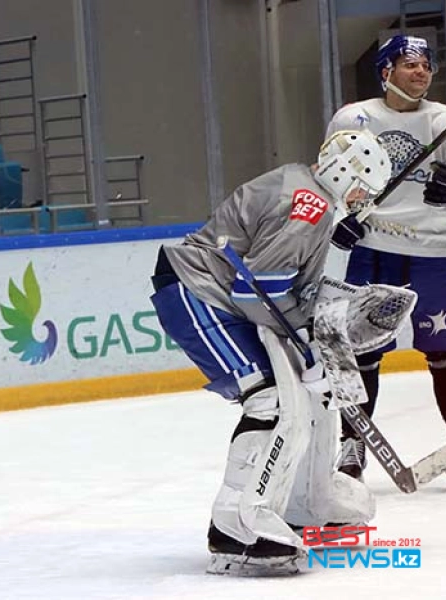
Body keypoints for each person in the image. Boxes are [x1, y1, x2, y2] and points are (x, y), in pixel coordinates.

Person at [151, 130, 392, 575]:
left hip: (219, 293)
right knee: (270, 399)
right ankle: (236, 524)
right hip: (197, 291)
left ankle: (304, 500)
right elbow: (258, 292)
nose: (362, 197)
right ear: (344, 170)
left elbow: (284, 291)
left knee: (308, 396)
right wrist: (307, 348)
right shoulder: (311, 203)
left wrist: (319, 340)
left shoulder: (312, 195)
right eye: (362, 184)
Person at [326, 34, 446, 488]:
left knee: (445, 352)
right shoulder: (353, 118)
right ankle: (352, 445)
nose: (422, 72)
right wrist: (343, 218)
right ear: (386, 71)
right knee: (362, 352)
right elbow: (332, 178)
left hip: (433, 252)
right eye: (410, 63)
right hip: (372, 251)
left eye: (427, 64)